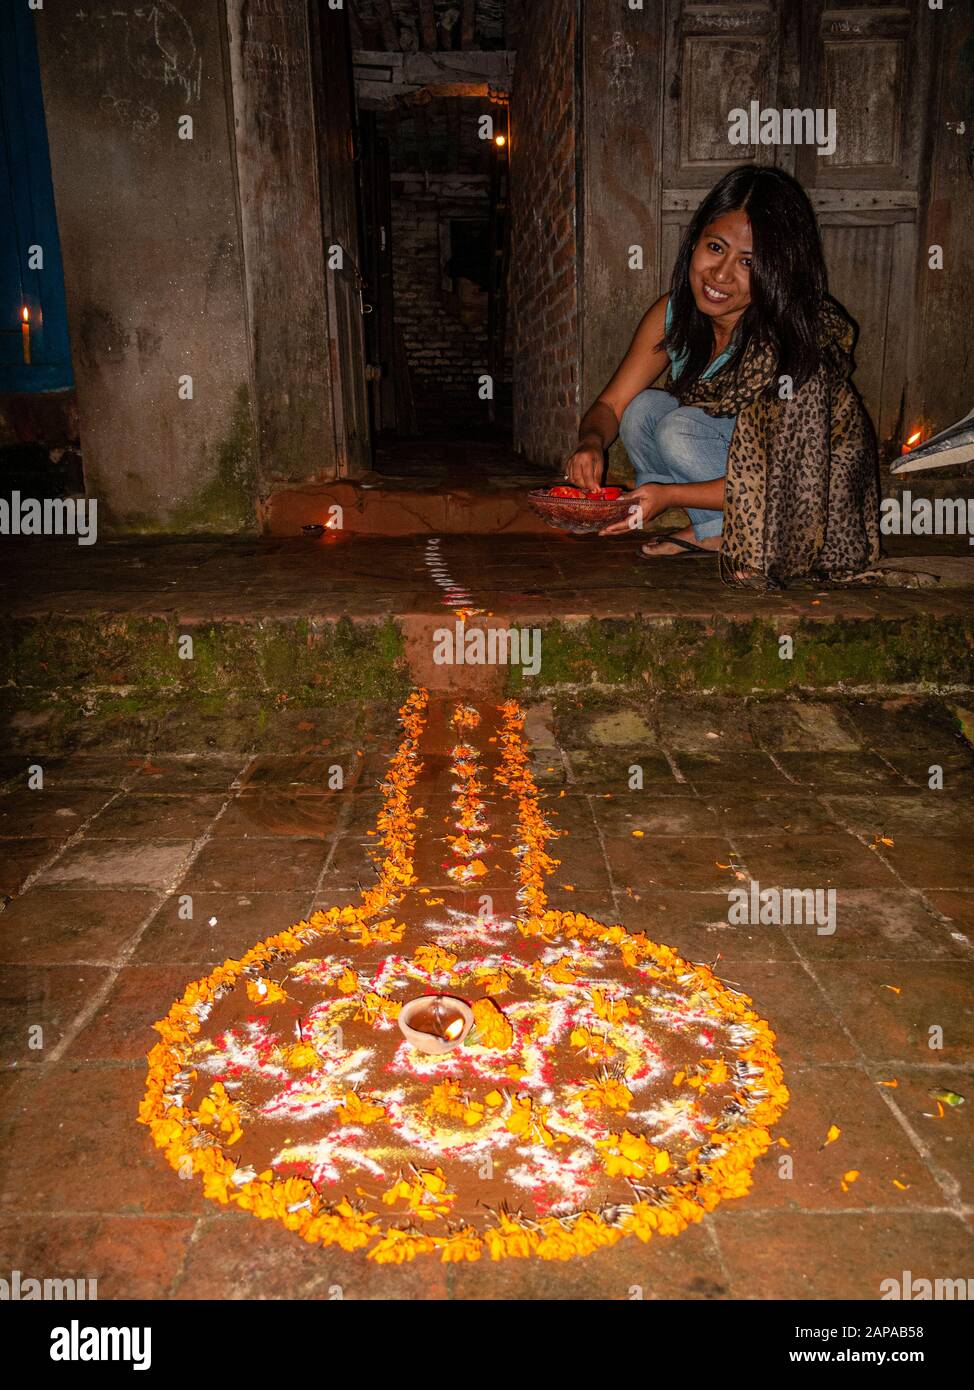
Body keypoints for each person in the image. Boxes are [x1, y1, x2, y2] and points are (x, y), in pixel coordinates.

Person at [563, 164, 880, 586]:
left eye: (748, 262)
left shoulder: (796, 345)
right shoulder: (673, 314)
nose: (720, 275)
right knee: (644, 409)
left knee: (680, 428)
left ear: (778, 271)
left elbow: (782, 482)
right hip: (745, 480)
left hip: (804, 507)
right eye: (715, 247)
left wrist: (668, 495)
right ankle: (716, 532)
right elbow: (612, 405)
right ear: (695, 240)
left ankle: (730, 537)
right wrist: (590, 444)